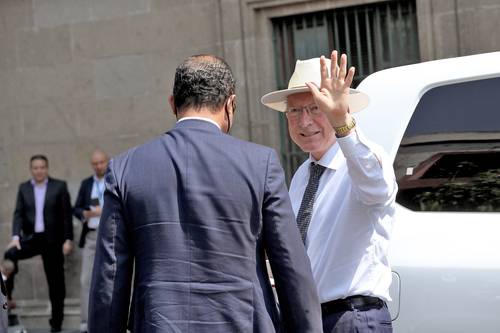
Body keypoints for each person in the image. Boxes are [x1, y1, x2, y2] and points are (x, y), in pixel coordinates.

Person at [88, 54, 322, 333]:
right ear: (230, 104)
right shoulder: (261, 164)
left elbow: (110, 277)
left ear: (173, 104)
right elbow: (291, 270)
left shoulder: (125, 169)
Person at [261, 51, 398, 332]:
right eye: (295, 112)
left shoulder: (364, 161)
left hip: (353, 317)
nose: (304, 122)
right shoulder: (302, 175)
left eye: (315, 109)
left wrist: (341, 123)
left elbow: (376, 185)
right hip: (309, 319)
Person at [4, 155, 73, 332]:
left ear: (47, 168)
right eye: (35, 167)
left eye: (42, 167)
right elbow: (18, 213)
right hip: (32, 239)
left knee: (56, 283)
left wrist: (68, 239)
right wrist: (15, 237)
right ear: (31, 169)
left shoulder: (59, 186)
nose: (39, 170)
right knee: (10, 254)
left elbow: (66, 216)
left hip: (53, 240)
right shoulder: (24, 188)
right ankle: (7, 297)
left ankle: (56, 323)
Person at [73, 149, 109, 333]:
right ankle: (86, 322)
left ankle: (113, 320)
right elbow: (77, 208)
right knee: (86, 279)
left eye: (101, 162)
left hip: (111, 235)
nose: (99, 166)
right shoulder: (86, 184)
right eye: (95, 163)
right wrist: (86, 214)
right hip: (91, 235)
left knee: (112, 278)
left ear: (107, 161)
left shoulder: (114, 178)